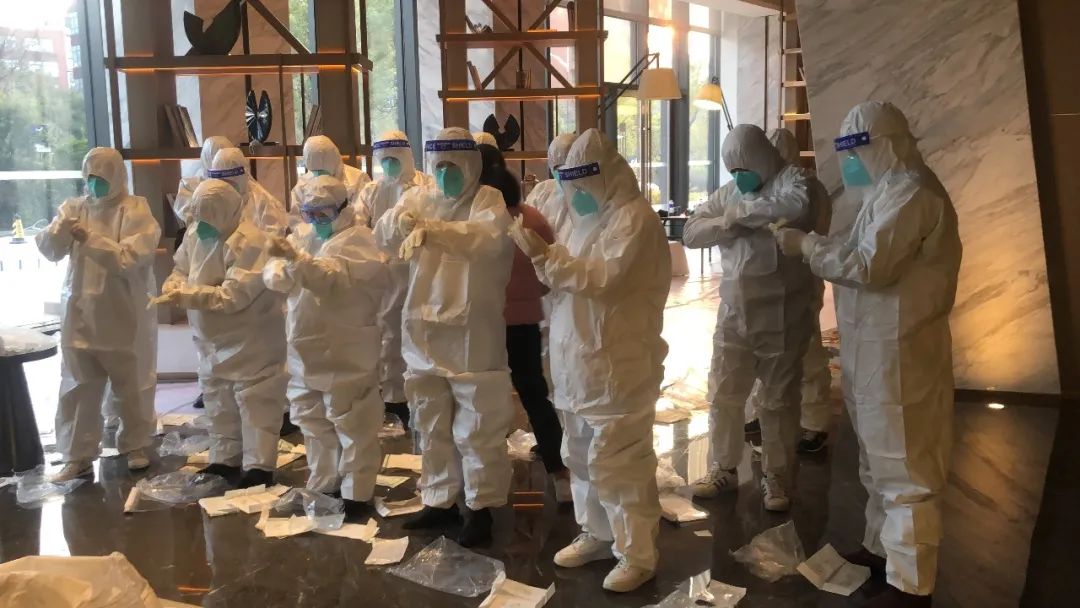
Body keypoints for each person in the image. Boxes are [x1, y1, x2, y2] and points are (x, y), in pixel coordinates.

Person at [774, 101, 961, 608]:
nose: (850, 163)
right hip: (874, 350)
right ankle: (881, 552)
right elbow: (858, 250)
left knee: (904, 470)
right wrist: (816, 243)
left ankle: (911, 586)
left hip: (901, 354)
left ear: (884, 146)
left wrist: (807, 246)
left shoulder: (913, 194)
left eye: (856, 152)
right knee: (878, 464)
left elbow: (869, 266)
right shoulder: (885, 192)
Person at [509, 129, 670, 592]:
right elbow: (564, 288)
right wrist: (543, 260)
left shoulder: (634, 219)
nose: (576, 193)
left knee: (620, 463)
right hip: (577, 367)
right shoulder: (582, 221)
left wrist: (546, 258)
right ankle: (597, 533)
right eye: (570, 184)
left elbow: (602, 279)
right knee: (579, 456)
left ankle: (637, 554)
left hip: (619, 368)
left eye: (583, 183)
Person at [373, 127, 515, 547]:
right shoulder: (420, 197)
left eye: (453, 166)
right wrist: (399, 221)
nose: (445, 174)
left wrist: (434, 230)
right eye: (439, 166)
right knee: (430, 422)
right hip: (424, 331)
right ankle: (439, 500)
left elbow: (488, 240)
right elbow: (382, 235)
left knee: (477, 426)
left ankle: (480, 507)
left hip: (472, 335)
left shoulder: (487, 200)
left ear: (470, 164)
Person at [682, 124, 816, 512]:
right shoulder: (729, 192)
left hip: (781, 314)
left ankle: (777, 476)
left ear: (761, 158)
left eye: (744, 168)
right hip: (734, 312)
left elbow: (796, 205)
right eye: (734, 170)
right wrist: (724, 223)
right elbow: (692, 232)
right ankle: (723, 467)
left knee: (777, 400)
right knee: (724, 393)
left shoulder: (793, 179)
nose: (740, 176)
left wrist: (742, 215)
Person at [263, 175, 388, 518]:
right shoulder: (303, 237)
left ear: (344, 209)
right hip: (305, 352)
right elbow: (273, 274)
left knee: (352, 423)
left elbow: (329, 278)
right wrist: (286, 265)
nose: (317, 220)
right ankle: (325, 483)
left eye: (324, 213)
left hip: (345, 352)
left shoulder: (358, 241)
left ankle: (357, 493)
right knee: (312, 420)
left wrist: (297, 262)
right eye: (310, 213)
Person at [36, 147, 161, 481]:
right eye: (90, 177)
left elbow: (129, 259)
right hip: (79, 313)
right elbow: (49, 250)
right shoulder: (74, 208)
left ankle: (135, 445)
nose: (95, 184)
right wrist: (59, 231)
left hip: (121, 313)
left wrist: (90, 239)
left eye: (101, 177)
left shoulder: (135, 209)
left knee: (131, 384)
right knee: (77, 386)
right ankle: (76, 455)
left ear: (117, 176)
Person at [156, 179, 287, 489]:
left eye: (208, 216)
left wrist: (187, 295)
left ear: (227, 212)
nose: (201, 223)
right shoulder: (195, 233)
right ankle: (224, 459)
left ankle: (258, 467)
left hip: (251, 342)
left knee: (255, 404)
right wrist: (174, 284)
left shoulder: (252, 242)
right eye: (198, 215)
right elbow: (180, 268)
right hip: (210, 341)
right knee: (218, 402)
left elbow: (233, 296)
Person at [478, 145, 571, 503]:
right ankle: (559, 473)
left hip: (484, 324)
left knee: (480, 402)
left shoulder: (478, 225)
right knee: (535, 395)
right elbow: (549, 271)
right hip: (526, 323)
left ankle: (484, 487)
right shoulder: (532, 217)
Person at [742, 128, 834, 454]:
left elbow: (808, 224)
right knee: (766, 355)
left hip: (801, 282)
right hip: (768, 287)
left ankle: (813, 422)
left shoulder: (808, 189)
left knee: (807, 354)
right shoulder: (766, 190)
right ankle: (765, 412)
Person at [356, 130, 433, 429]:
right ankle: (390, 396)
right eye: (384, 158)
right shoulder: (372, 190)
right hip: (382, 273)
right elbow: (358, 224)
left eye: (394, 157)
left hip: (415, 270)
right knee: (385, 333)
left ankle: (415, 394)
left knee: (414, 330)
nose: (389, 164)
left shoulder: (424, 186)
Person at [290, 136, 371, 227]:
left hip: (350, 234)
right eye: (316, 171)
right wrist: (312, 233)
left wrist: (341, 231)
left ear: (335, 160)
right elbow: (296, 219)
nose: (321, 179)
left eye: (324, 172)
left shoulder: (358, 179)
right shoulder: (303, 184)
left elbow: (361, 217)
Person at [209, 147, 288, 236]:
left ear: (242, 177)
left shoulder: (261, 203)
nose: (226, 188)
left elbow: (274, 238)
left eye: (230, 182)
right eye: (222, 182)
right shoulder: (213, 201)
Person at [174, 136, 234, 228]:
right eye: (217, 159)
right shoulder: (189, 186)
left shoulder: (245, 186)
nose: (222, 163)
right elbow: (194, 221)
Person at [525, 134, 576, 239]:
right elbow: (525, 224)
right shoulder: (542, 190)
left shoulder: (588, 198)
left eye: (567, 166)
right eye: (557, 167)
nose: (562, 172)